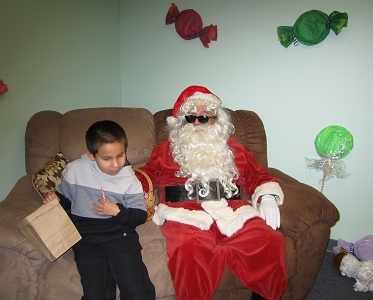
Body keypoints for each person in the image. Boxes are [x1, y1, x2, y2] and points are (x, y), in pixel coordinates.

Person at [136, 85, 288, 300]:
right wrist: (120, 184)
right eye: (191, 118)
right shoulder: (165, 149)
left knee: (270, 241)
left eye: (205, 117)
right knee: (189, 251)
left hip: (232, 210)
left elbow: (259, 176)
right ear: (181, 121)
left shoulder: (235, 148)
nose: (197, 123)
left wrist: (268, 197)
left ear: (217, 120)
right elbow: (147, 176)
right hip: (185, 213)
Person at [43, 120, 155, 300]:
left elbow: (140, 215)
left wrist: (118, 211)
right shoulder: (74, 170)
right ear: (91, 155)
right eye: (107, 159)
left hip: (121, 237)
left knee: (136, 291)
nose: (116, 164)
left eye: (120, 155)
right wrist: (54, 199)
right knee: (95, 293)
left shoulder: (130, 179)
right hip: (87, 240)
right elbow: (65, 199)